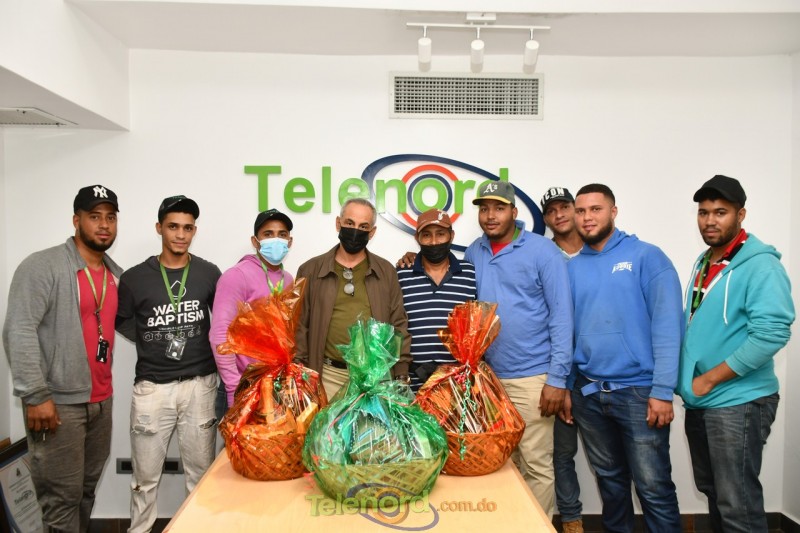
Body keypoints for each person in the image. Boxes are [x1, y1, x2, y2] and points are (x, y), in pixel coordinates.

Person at [678, 175, 794, 532]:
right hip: (703, 400)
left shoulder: (761, 265)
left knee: (737, 503)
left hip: (738, 401)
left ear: (740, 215)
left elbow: (772, 334)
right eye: (703, 213)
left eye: (720, 212)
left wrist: (710, 379)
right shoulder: (705, 261)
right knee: (715, 492)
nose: (709, 221)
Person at [3, 184, 122, 532]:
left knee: (85, 492)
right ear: (76, 220)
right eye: (94, 216)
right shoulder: (43, 266)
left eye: (110, 217)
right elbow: (18, 329)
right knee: (61, 500)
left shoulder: (113, 274)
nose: (104, 225)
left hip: (101, 401)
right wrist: (36, 395)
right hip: (58, 405)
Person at [566, 183, 682, 532]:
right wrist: (569, 387)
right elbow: (568, 331)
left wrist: (663, 390)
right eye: (581, 211)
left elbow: (668, 326)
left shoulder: (647, 257)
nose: (587, 218)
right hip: (588, 394)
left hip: (639, 394)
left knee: (653, 487)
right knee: (610, 484)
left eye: (596, 209)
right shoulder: (572, 268)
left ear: (613, 212)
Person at [464, 180, 573, 518]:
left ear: (513, 211)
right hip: (490, 381)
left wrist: (557, 380)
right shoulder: (474, 252)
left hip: (533, 378)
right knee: (501, 464)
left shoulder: (542, 251)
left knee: (536, 464)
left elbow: (562, 317)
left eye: (498, 208)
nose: (490, 216)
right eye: (484, 209)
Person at [115, 195, 221, 533]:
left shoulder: (208, 273)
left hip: (200, 386)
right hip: (152, 388)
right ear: (159, 228)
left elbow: (221, 322)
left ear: (194, 231)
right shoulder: (134, 278)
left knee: (200, 476)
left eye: (188, 228)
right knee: (144, 479)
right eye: (173, 226)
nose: (180, 234)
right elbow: (122, 320)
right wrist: (152, 339)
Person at [295, 197, 411, 399]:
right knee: (325, 422)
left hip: (374, 378)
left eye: (363, 226)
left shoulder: (386, 271)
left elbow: (398, 324)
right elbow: (300, 324)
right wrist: (299, 369)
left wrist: (401, 372)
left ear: (372, 232)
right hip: (327, 376)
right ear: (338, 223)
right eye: (349, 223)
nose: (355, 230)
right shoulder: (310, 270)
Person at [210, 209, 295, 415]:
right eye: (268, 234)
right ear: (255, 241)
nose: (276, 240)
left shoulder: (288, 279)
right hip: (243, 385)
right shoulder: (236, 276)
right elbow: (220, 335)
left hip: (275, 386)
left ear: (290, 242)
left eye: (282, 234)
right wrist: (234, 387)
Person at [540, 186, 584, 533]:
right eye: (551, 211)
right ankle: (571, 520)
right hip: (559, 371)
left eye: (564, 207)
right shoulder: (543, 254)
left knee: (610, 460)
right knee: (561, 453)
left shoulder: (601, 248)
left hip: (601, 371)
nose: (559, 215)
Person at [396, 208, 477, 391]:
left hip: (457, 385)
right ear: (417, 238)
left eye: (440, 234)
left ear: (451, 236)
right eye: (426, 235)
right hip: (412, 384)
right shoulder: (401, 274)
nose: (434, 242)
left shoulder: (470, 274)